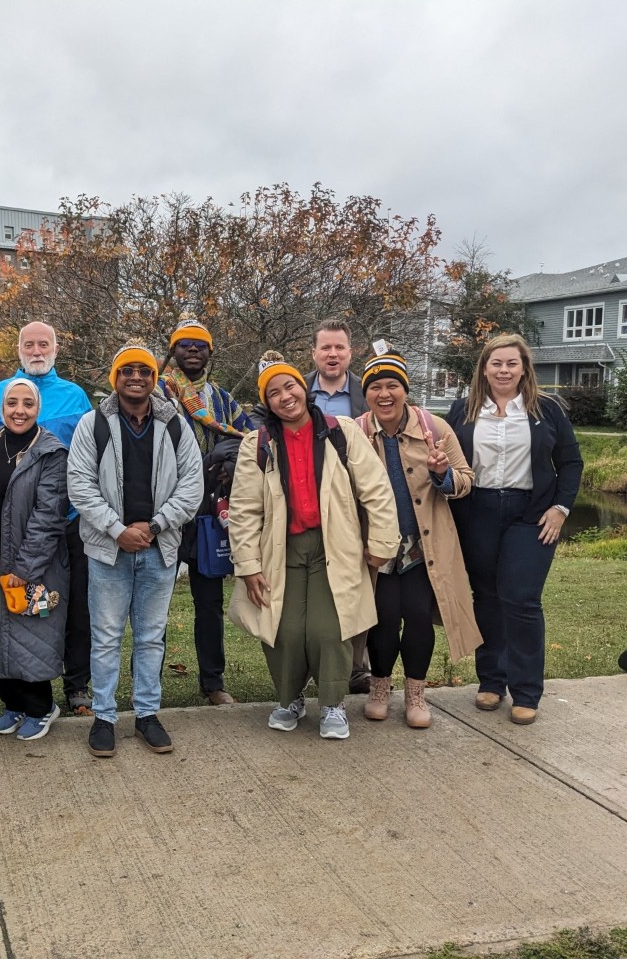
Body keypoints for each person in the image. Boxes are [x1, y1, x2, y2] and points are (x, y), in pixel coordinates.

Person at [227, 351, 398, 741]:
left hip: (332, 547)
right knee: (283, 629)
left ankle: (333, 703)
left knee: (328, 629)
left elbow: (377, 491)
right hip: (280, 550)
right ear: (266, 402)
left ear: (303, 388)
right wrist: (248, 565)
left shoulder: (342, 432)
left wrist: (383, 542)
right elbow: (244, 509)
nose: (285, 396)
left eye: (289, 386)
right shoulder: (258, 443)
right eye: (274, 393)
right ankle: (290, 699)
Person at [66, 340, 203, 758]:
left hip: (159, 550)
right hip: (108, 551)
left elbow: (192, 485)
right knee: (105, 637)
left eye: (144, 371)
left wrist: (156, 525)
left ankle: (147, 714)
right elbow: (80, 486)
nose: (137, 377)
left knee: (150, 637)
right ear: (116, 378)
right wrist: (117, 529)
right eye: (128, 371)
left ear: (153, 378)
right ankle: (104, 718)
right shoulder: (94, 425)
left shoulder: (175, 425)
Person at [446, 334, 582, 725]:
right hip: (478, 510)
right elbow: (449, 462)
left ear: (524, 369)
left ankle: (526, 691)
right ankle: (491, 680)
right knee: (486, 596)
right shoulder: (463, 410)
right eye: (496, 363)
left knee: (521, 600)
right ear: (484, 369)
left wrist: (561, 508)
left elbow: (571, 462)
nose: (503, 370)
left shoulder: (546, 410)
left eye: (511, 363)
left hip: (532, 513)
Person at [354, 351, 482, 728]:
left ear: (405, 390)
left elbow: (466, 480)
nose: (384, 394)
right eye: (375, 386)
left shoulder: (436, 429)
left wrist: (442, 474)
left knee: (417, 617)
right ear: (367, 393)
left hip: (423, 545)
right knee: (382, 618)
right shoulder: (356, 431)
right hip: (376, 545)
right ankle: (379, 689)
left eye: (392, 385)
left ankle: (415, 695)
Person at [0, 321, 94, 715]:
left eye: (44, 344)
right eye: (30, 344)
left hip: (69, 520)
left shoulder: (75, 396)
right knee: (11, 609)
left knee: (70, 607)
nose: (37, 350)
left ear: (56, 348)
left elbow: (92, 451)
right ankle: (17, 699)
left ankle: (77, 685)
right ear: (19, 349)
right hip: (6, 527)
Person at [0, 379, 70, 741]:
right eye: (12, 403)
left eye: (27, 403)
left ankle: (41, 707)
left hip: (33, 564)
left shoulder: (51, 453)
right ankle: (13, 704)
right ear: (2, 407)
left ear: (38, 409)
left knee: (33, 634)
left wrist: (24, 570)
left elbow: (49, 516)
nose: (19, 410)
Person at [158, 315, 253, 706]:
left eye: (200, 345)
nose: (193, 350)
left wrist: (225, 457)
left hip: (208, 514)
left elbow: (250, 437)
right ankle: (150, 684)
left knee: (209, 601)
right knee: (156, 603)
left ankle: (213, 682)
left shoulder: (222, 399)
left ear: (210, 352)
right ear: (173, 351)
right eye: (185, 345)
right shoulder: (158, 392)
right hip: (164, 509)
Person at [304, 318, 372, 694]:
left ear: (350, 352)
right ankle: (312, 665)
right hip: (305, 502)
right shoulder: (293, 390)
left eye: (339, 348)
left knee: (354, 585)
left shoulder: (369, 393)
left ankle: (356, 668)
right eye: (325, 348)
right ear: (314, 353)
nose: (332, 354)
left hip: (353, 504)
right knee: (313, 587)